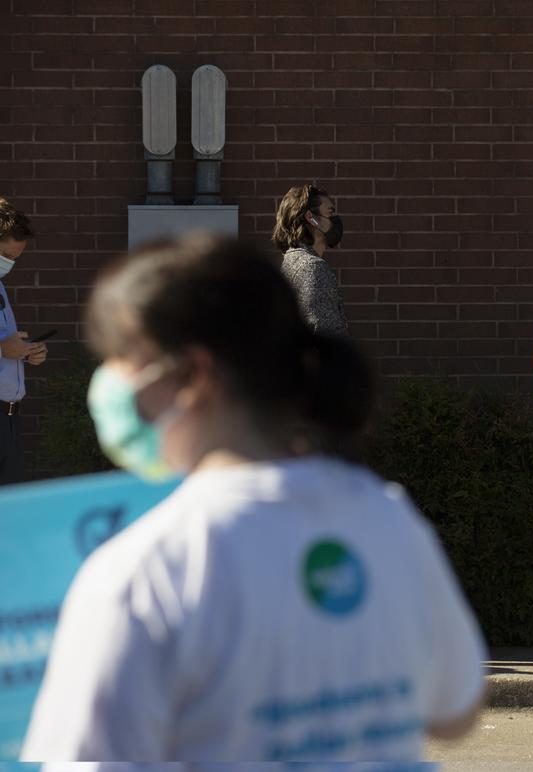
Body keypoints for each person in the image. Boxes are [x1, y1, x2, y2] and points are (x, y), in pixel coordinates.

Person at [21, 237, 485, 763]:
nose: (108, 386)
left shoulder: (144, 573)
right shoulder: (387, 517)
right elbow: (455, 710)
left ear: (194, 375)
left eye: (120, 360)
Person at [0, 198, 47, 484]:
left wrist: (27, 352)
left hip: (9, 416)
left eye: (15, 258)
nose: (9, 264)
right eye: (5, 255)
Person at [272, 183, 349, 337]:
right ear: (311, 218)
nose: (335, 220)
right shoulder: (312, 268)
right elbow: (326, 339)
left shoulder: (291, 261)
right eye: (330, 213)